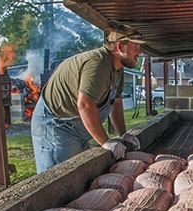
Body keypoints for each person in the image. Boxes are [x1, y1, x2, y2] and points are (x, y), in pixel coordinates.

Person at [31, 28, 144, 173]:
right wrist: (105, 141)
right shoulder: (98, 64)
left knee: (79, 174)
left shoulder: (117, 69)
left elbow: (115, 102)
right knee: (63, 177)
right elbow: (85, 104)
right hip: (58, 125)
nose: (140, 52)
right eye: (136, 46)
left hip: (78, 128)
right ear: (120, 47)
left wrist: (123, 134)